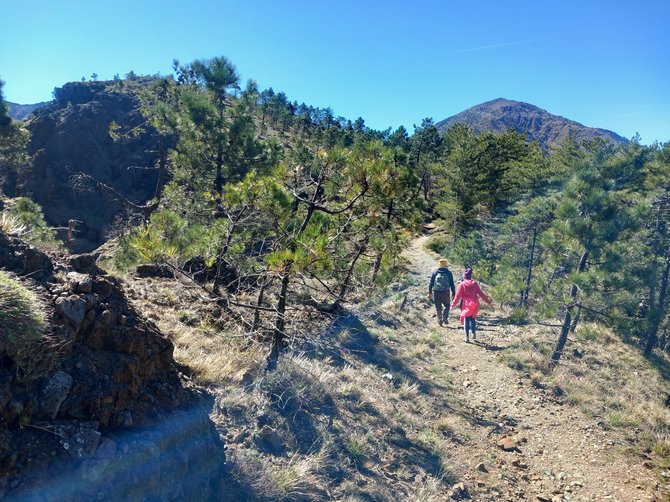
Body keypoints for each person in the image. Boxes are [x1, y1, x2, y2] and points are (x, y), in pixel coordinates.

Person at [450, 268, 493, 342]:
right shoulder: (475, 284)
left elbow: (457, 297)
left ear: (464, 277)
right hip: (475, 304)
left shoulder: (462, 284)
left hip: (466, 305)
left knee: (466, 320)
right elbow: (481, 294)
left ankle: (466, 337)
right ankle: (473, 333)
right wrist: (489, 302)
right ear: (470, 276)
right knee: (473, 319)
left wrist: (452, 305)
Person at [428, 258, 455, 326]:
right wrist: (453, 293)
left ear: (439, 265)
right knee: (447, 305)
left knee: (438, 307)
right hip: (445, 292)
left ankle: (440, 320)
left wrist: (430, 292)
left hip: (436, 291)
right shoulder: (449, 273)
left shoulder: (435, 272)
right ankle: (445, 318)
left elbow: (431, 283)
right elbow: (452, 283)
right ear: (446, 265)